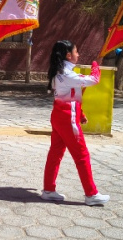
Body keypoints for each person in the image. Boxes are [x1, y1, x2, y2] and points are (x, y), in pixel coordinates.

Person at [41, 40, 110, 206]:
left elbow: (70, 95)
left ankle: (49, 190)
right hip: (66, 119)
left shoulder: (59, 71)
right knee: (82, 155)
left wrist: (81, 113)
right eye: (76, 51)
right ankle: (91, 194)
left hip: (60, 115)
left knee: (55, 154)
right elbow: (94, 79)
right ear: (68, 55)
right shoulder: (67, 73)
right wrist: (96, 64)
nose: (78, 55)